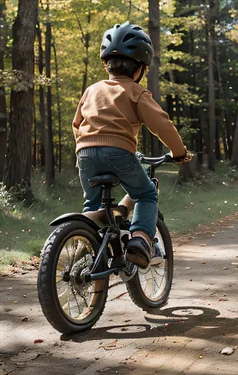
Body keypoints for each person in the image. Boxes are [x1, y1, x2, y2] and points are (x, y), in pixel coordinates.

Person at [72, 22, 192, 268]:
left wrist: (86, 148)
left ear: (107, 64)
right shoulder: (137, 92)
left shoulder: (91, 90)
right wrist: (178, 152)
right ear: (139, 69)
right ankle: (139, 239)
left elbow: (77, 123)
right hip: (118, 152)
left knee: (92, 206)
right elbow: (161, 124)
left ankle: (85, 251)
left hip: (84, 151)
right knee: (146, 193)